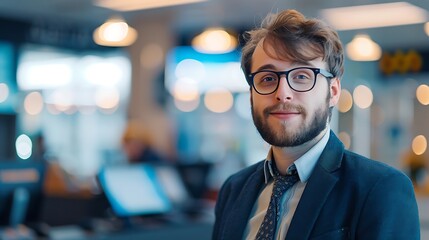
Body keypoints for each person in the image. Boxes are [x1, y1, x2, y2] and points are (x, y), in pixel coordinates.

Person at [213, 9, 420, 240]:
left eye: (302, 76)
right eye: (268, 78)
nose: (283, 94)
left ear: (333, 91)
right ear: (252, 94)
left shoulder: (381, 189)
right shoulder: (234, 189)